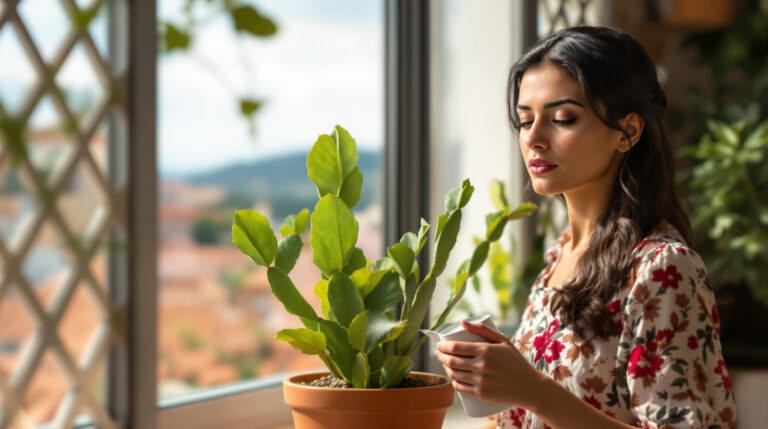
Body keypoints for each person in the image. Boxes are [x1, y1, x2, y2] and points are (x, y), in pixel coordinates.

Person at [435, 26, 737, 429]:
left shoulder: (663, 269)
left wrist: (532, 390)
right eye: (525, 121)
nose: (534, 139)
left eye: (563, 118)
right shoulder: (560, 252)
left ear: (627, 131)